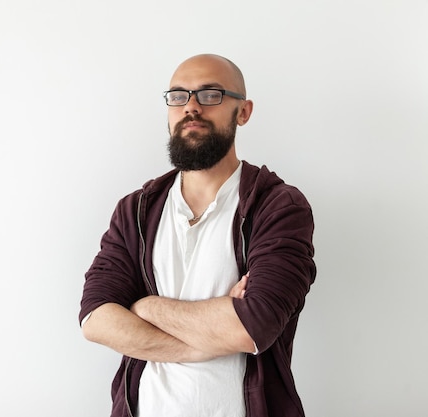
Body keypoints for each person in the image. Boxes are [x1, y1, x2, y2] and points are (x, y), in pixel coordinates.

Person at [79, 54, 316, 417]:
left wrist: (145, 307)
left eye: (211, 95)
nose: (191, 107)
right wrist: (201, 343)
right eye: (178, 96)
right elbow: (95, 319)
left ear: (243, 111)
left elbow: (253, 327)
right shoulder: (136, 212)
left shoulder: (278, 207)